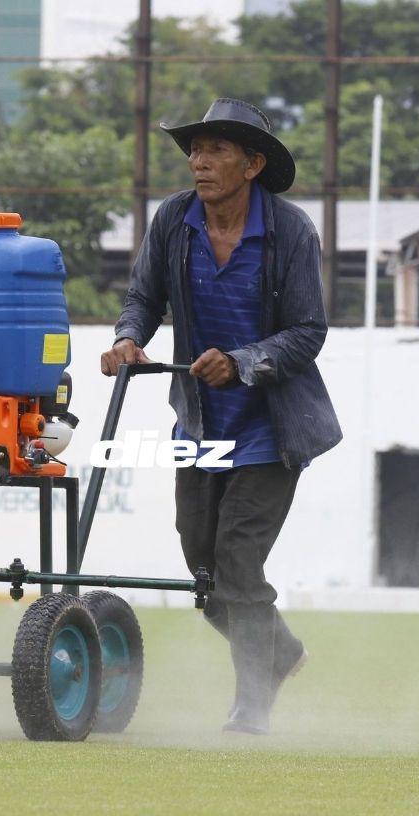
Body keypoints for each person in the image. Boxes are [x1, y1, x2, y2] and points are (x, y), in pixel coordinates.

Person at [99, 98, 342, 735]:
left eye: (217, 151)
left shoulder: (290, 232)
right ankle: (280, 651)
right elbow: (143, 298)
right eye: (194, 151)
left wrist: (242, 362)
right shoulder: (174, 220)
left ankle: (252, 704)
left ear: (253, 163)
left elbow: (308, 333)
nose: (200, 163)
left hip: (272, 430)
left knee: (237, 565)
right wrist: (129, 337)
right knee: (204, 575)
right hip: (198, 425)